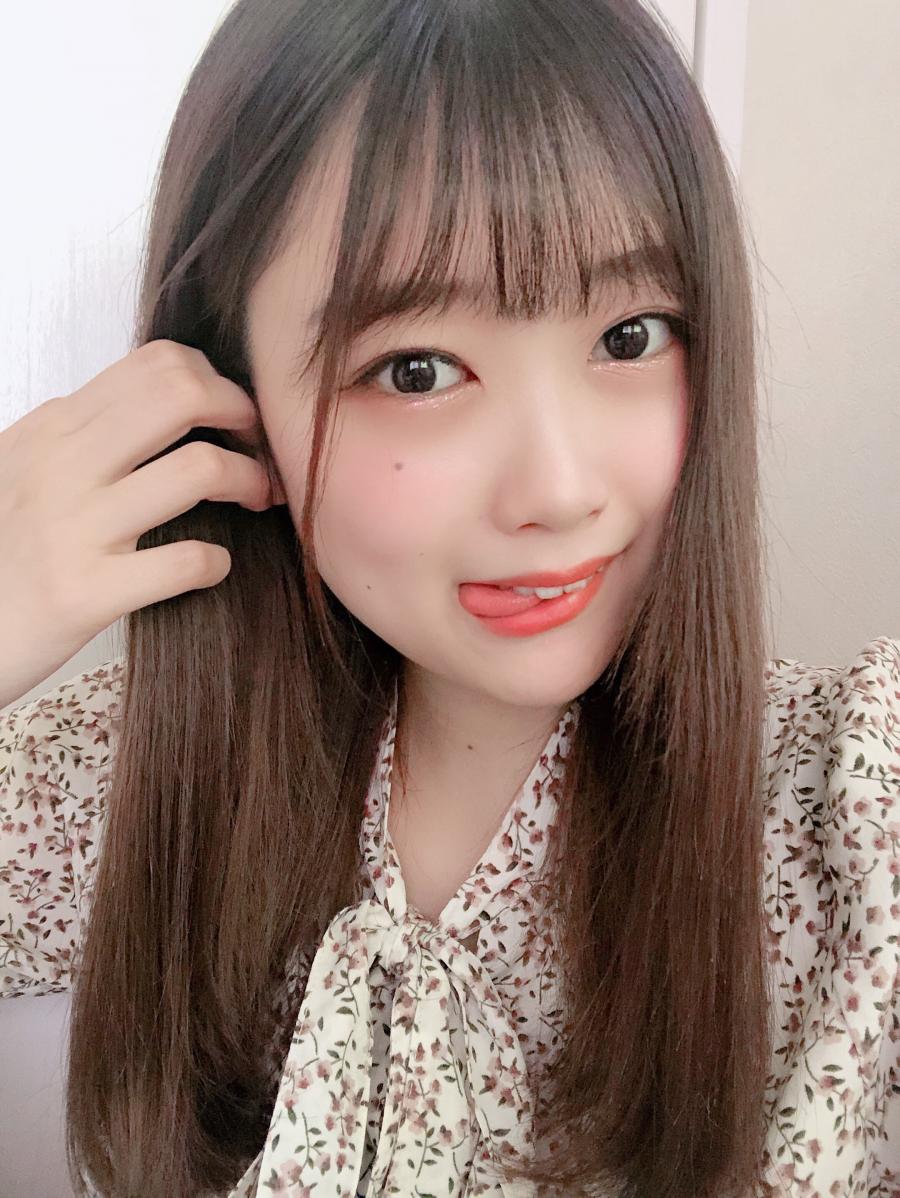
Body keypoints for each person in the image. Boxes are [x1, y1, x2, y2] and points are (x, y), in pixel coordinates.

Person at [0, 1, 898, 1195]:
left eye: (631, 336)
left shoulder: (844, 814)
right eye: (417, 369)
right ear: (238, 402)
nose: (559, 491)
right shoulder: (136, 789)